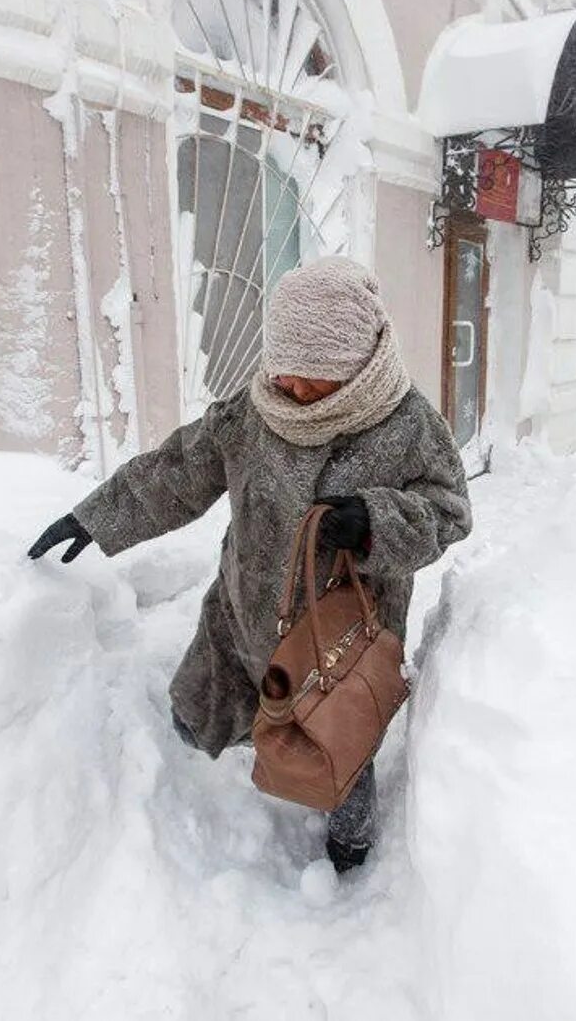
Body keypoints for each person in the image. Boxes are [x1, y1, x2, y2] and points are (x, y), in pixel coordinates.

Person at [27, 256, 472, 874]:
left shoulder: (408, 424)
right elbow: (180, 470)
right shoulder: (257, 408)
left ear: (354, 364)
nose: (291, 389)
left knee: (340, 738)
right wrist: (96, 518)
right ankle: (208, 760)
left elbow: (448, 511)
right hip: (246, 611)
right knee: (198, 715)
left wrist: (377, 522)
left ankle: (350, 838)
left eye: (309, 378)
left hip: (341, 634)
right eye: (283, 371)